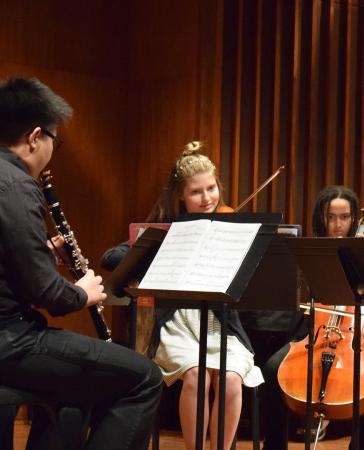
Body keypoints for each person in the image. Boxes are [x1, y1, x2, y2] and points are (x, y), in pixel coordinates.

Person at [0, 77, 162, 449]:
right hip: (11, 342)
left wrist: (38, 251)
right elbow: (47, 295)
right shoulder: (18, 185)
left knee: (76, 392)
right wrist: (81, 293)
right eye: (56, 141)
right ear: (35, 137)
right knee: (145, 378)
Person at [101, 142, 264, 450]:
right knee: (197, 376)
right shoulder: (166, 228)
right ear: (180, 196)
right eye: (196, 192)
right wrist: (164, 246)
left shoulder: (232, 229)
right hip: (175, 322)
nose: (207, 199)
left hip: (220, 322)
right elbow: (111, 257)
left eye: (211, 188)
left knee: (230, 380)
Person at [260, 185, 364, 450]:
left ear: (355, 218)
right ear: (321, 218)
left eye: (344, 217)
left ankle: (361, 445)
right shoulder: (313, 252)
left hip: (358, 338)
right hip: (313, 333)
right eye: (330, 217)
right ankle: (275, 445)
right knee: (272, 368)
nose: (337, 224)